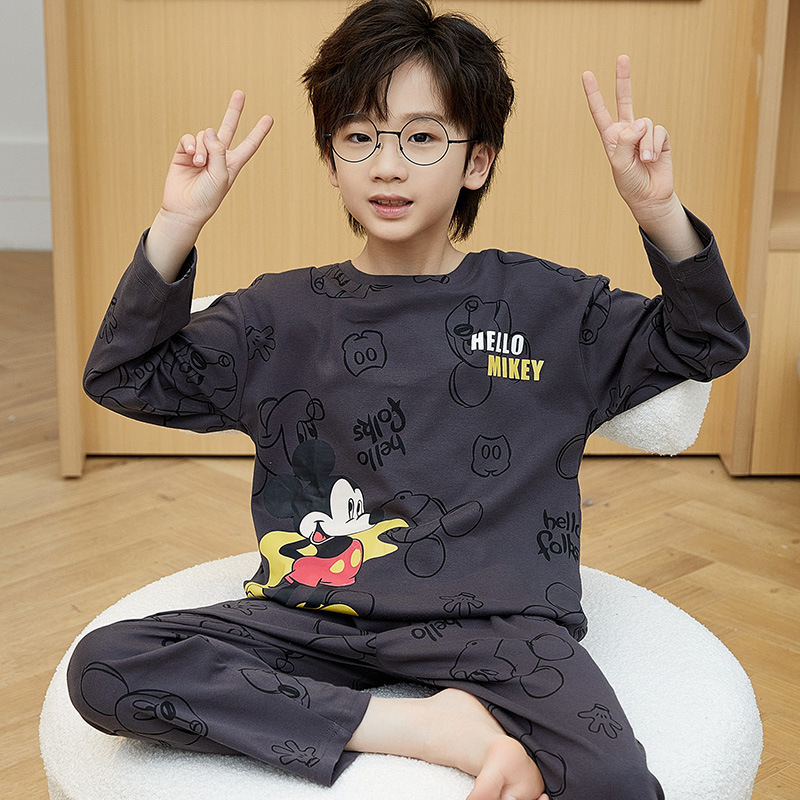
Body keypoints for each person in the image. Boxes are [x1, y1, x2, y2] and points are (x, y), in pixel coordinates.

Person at [66, 1, 749, 798]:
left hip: (504, 630)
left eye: (422, 138)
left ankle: (444, 717)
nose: (386, 166)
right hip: (315, 619)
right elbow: (124, 375)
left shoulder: (548, 307)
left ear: (477, 161)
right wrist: (178, 222)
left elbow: (707, 341)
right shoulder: (277, 315)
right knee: (106, 665)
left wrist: (657, 212)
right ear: (331, 161)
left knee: (616, 783)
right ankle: (428, 728)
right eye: (359, 137)